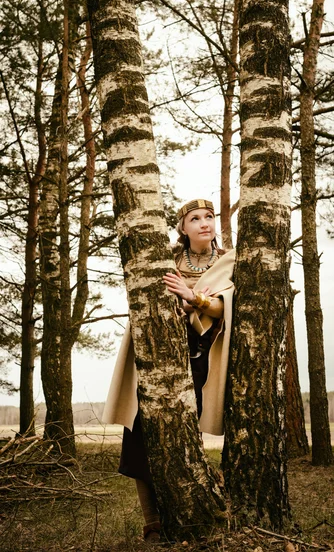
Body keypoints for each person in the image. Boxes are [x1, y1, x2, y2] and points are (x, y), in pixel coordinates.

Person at [102, 199, 235, 543]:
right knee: (139, 436)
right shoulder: (167, 260)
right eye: (195, 218)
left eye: (209, 217)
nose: (205, 223)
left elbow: (225, 309)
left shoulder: (227, 262)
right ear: (183, 227)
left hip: (201, 359)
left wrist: (194, 297)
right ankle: (152, 522)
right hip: (156, 355)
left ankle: (191, 513)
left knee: (183, 437)